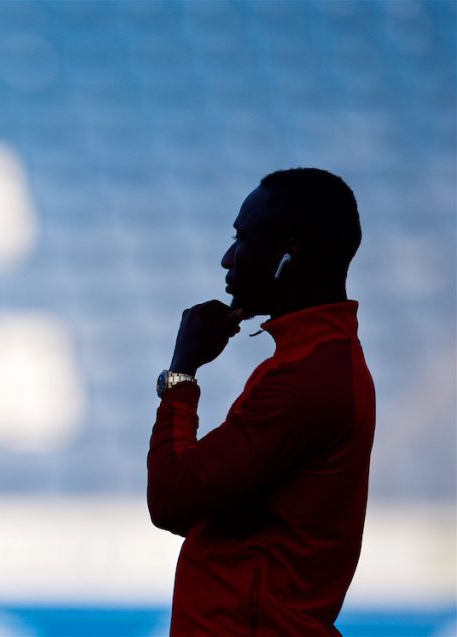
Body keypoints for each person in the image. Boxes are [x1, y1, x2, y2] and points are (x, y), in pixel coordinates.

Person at [148, 168, 375, 636]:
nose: (227, 258)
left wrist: (181, 374)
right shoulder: (318, 361)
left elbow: (172, 499)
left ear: (287, 256)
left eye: (243, 238)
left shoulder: (304, 379)